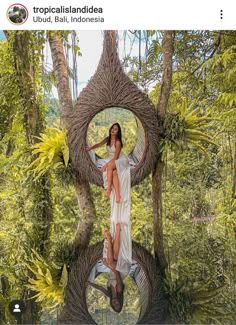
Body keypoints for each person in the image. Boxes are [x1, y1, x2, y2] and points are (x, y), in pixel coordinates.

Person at [86, 122, 129, 204]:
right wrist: (90, 148)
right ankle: (118, 195)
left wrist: (106, 164)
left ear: (118, 132)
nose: (113, 130)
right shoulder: (107, 139)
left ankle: (108, 188)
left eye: (115, 129)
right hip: (111, 159)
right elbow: (99, 144)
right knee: (115, 173)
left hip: (120, 160)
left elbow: (116, 158)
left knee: (109, 167)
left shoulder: (118, 142)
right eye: (112, 128)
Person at [86, 224, 125, 313]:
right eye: (118, 304)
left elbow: (100, 288)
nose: (115, 303)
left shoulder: (109, 294)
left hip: (114, 268)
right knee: (110, 261)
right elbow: (117, 273)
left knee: (114, 256)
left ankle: (113, 236)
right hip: (121, 270)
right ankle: (110, 237)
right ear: (120, 302)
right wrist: (107, 265)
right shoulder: (119, 289)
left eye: (114, 305)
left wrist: (90, 283)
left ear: (111, 304)